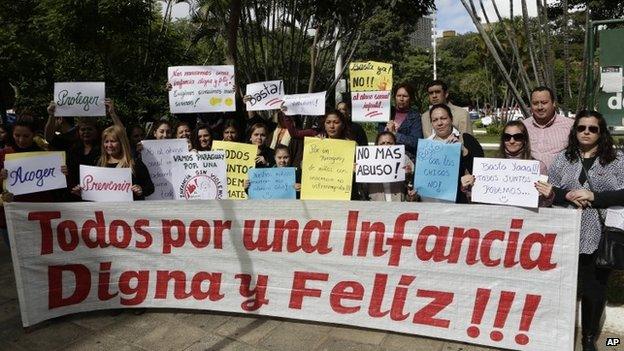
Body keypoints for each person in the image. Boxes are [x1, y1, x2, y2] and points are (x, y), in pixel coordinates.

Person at [535, 110, 624, 351]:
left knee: (594, 287)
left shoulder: (616, 160)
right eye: (581, 128)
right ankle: (553, 333)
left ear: (601, 132)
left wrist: (594, 196)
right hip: (566, 231)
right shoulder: (564, 159)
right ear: (574, 131)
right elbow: (549, 189)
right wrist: (567, 195)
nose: (586, 132)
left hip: (601, 233)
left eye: (592, 128)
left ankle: (588, 338)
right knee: (562, 284)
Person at [0, 116, 68, 246]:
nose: (21, 140)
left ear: (34, 135)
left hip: (40, 215)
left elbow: (57, 187)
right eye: (17, 135)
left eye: (26, 136)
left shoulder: (45, 155)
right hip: (12, 216)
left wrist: (63, 174)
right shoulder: (3, 154)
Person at [74, 125, 154, 201]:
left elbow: (150, 188)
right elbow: (94, 193)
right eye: (106, 142)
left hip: (130, 212)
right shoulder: (98, 163)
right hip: (106, 212)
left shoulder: (134, 163)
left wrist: (140, 190)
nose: (109, 145)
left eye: (113, 141)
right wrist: (83, 192)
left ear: (121, 143)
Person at [425, 104, 483, 203]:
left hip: (461, 201)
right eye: (435, 120)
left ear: (451, 119)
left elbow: (480, 170)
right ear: (431, 123)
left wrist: (463, 150)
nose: (439, 123)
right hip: (433, 202)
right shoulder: (426, 146)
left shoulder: (467, 140)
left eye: (443, 118)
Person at [522, 86, 574, 171]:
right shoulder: (523, 127)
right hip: (527, 180)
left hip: (558, 182)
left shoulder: (570, 126)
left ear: (553, 103)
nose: (540, 107)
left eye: (544, 102)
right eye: (535, 103)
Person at [358, 131, 417, 202]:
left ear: (395, 145)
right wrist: (358, 173)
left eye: (389, 143)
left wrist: (409, 176)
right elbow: (363, 191)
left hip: (399, 206)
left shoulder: (404, 159)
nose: (386, 146)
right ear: (377, 146)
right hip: (376, 207)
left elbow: (412, 189)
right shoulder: (368, 162)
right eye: (382, 143)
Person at [379, 83, 423, 160]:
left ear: (410, 98)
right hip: (385, 158)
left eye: (405, 96)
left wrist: (395, 134)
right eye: (398, 96)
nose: (401, 99)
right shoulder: (386, 113)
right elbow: (379, 137)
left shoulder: (415, 116)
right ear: (394, 97)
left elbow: (416, 142)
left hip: (406, 160)